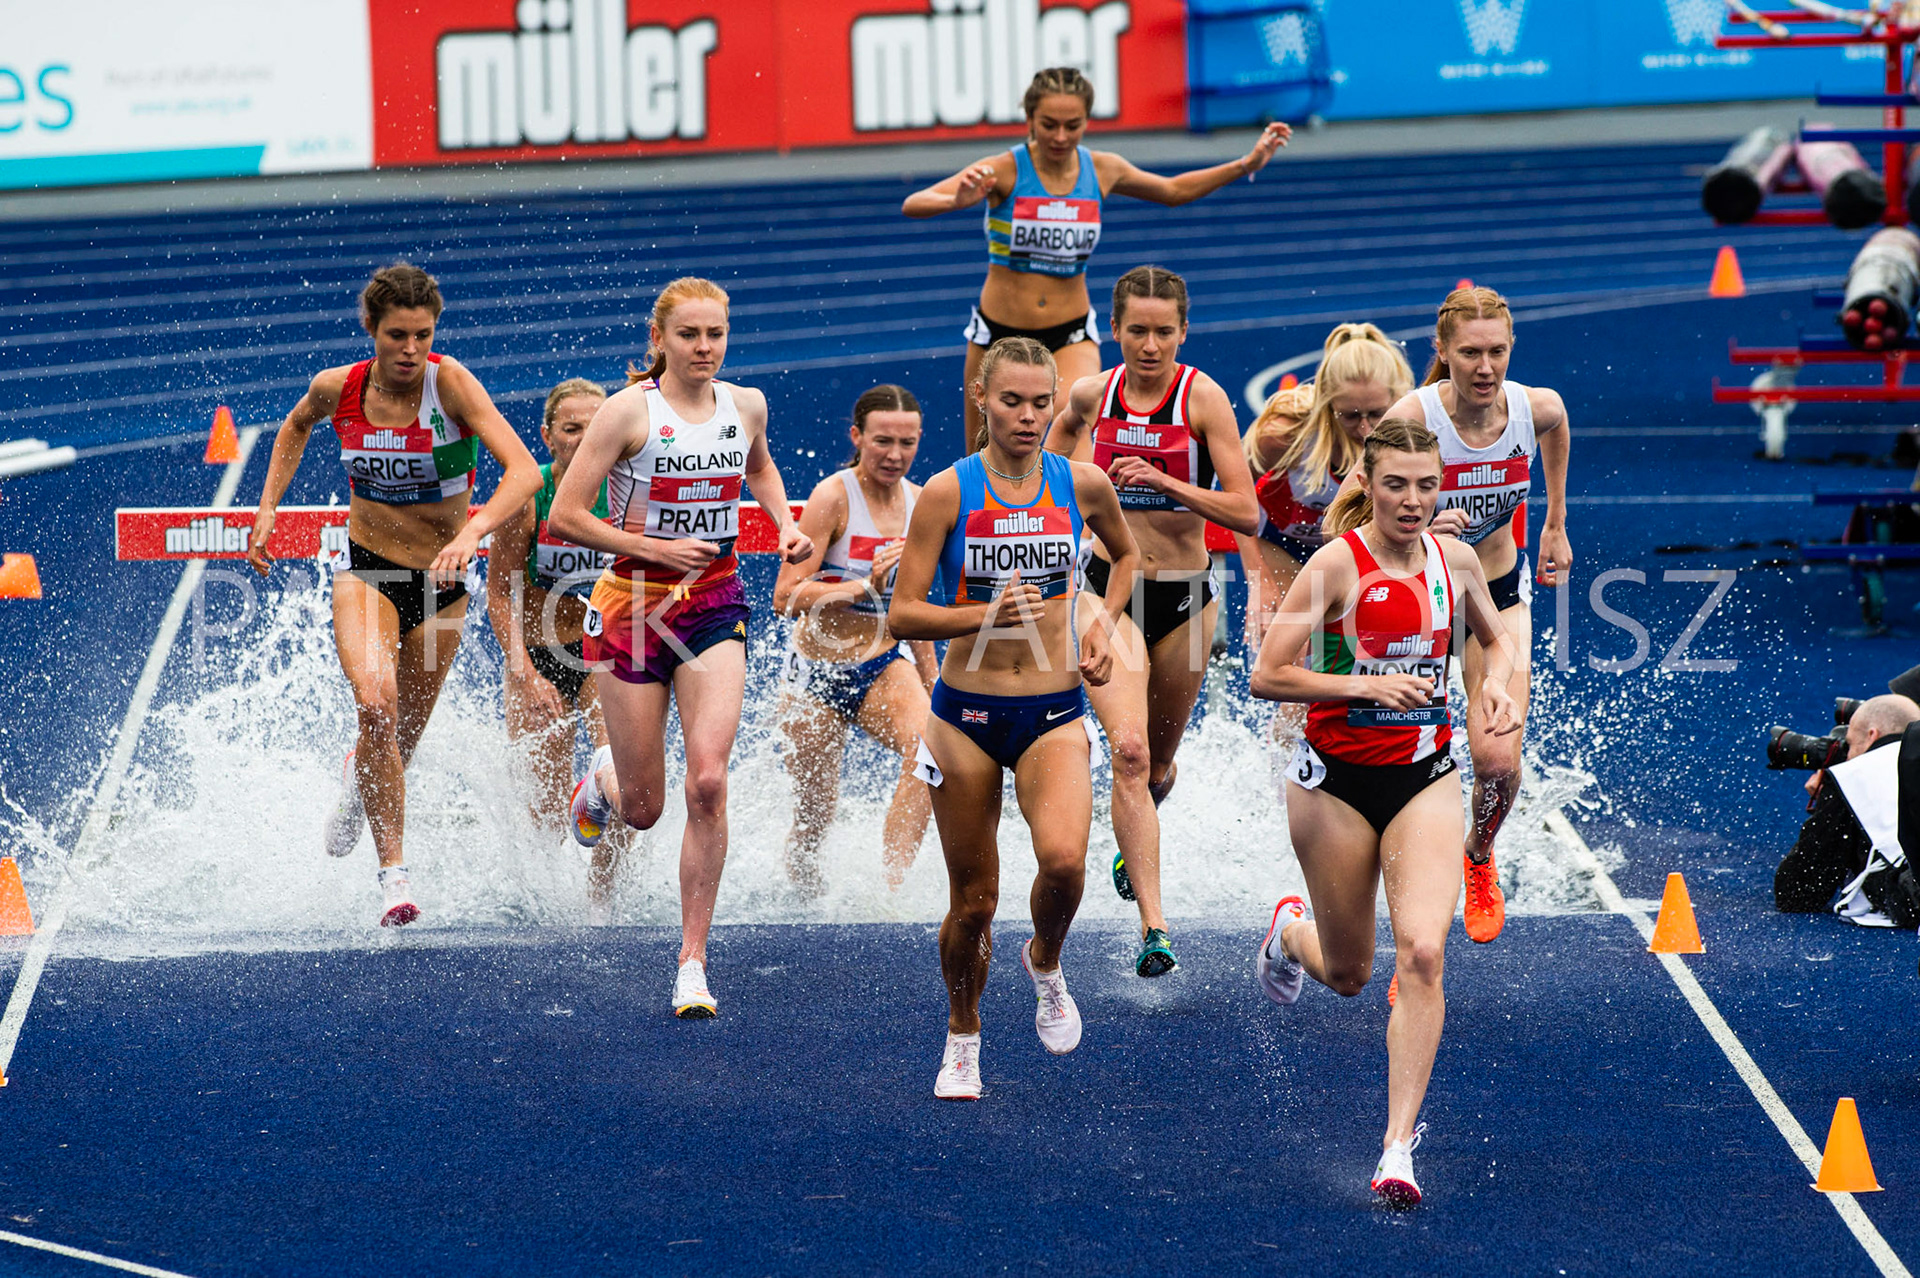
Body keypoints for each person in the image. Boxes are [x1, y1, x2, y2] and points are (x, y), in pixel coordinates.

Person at [1249, 417, 1519, 1207]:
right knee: (1348, 973)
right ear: (1366, 483)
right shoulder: (1336, 565)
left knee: (1425, 954)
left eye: (1426, 485)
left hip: (1422, 776)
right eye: (1396, 484)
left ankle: (1397, 1147)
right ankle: (1288, 933)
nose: (1412, 500)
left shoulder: (1456, 560)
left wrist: (1493, 682)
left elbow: (1496, 643)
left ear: (1443, 488)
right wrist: (1365, 687)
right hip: (1332, 782)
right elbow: (1269, 674)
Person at [245, 263, 540, 926]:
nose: (410, 349)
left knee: (397, 744)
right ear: (372, 330)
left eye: (423, 335)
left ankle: (358, 785)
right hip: (367, 570)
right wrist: (267, 507)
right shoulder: (338, 388)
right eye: (397, 335)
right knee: (376, 705)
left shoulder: (452, 384)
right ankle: (394, 875)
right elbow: (294, 427)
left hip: (443, 583)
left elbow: (522, 471)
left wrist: (474, 532)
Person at [549, 277, 812, 1018]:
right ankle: (602, 778)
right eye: (690, 335)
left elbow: (756, 464)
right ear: (659, 339)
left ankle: (692, 961)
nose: (704, 348)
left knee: (707, 783)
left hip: (714, 602)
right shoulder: (628, 413)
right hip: (630, 603)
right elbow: (569, 515)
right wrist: (653, 549)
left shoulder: (746, 404)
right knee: (641, 810)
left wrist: (784, 523)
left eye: (715, 335)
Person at [887, 336, 1140, 1101]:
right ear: (982, 401)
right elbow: (902, 612)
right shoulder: (946, 492)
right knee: (974, 902)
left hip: (1054, 709)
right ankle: (963, 1035)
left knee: (1064, 865)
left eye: (1041, 403)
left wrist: (1103, 622)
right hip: (964, 715)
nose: (1028, 417)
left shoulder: (1083, 484)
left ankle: (1046, 959)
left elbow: (1125, 557)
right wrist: (981, 614)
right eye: (1011, 401)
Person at [1042, 265, 1257, 976]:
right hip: (1108, 590)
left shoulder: (1203, 400)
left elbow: (1246, 511)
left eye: (1165, 331)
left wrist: (1165, 482)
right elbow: (1042, 462)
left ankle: (1135, 840)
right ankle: (1155, 929)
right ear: (1115, 329)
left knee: (1159, 765)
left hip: (1187, 597)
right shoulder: (1089, 395)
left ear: (1183, 332)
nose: (1151, 344)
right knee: (1128, 752)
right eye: (1137, 330)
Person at [902, 67, 1291, 452]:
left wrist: (1246, 165)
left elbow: (1172, 191)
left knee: (1076, 432)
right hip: (997, 332)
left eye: (1072, 125)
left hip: (1069, 333)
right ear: (1029, 119)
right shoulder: (1005, 169)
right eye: (1048, 124)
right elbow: (914, 203)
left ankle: (1072, 511)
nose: (1060, 136)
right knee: (982, 453)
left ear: (1087, 120)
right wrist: (955, 200)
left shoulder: (1101, 169)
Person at [1381, 286, 1571, 945]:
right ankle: (1409, 912)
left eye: (1496, 352)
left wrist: (1554, 521)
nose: (1485, 367)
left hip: (1497, 595)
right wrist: (1423, 521)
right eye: (1469, 353)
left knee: (1495, 761)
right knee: (1398, 764)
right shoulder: (1413, 416)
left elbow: (1557, 424)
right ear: (1442, 352)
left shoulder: (1533, 407)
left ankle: (1480, 854)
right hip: (1419, 606)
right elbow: (1359, 507)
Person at [772, 385, 940, 897]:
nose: (894, 455)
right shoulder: (833, 496)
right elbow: (786, 595)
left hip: (883, 662)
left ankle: (889, 892)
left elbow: (916, 606)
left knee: (932, 756)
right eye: (882, 441)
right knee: (814, 813)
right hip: (815, 674)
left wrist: (935, 685)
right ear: (857, 437)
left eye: (907, 443)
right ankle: (802, 897)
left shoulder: (923, 503)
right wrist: (864, 587)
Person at [484, 376, 630, 914]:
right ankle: (549, 906)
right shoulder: (531, 497)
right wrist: (523, 670)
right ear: (548, 435)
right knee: (545, 806)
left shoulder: (626, 494)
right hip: (541, 656)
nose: (585, 438)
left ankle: (600, 901)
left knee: (627, 788)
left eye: (596, 428)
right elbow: (499, 593)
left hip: (608, 655)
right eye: (572, 429)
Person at [1237, 324, 1415, 654]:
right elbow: (1235, 489)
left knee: (1370, 641)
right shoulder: (1286, 434)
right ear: (1327, 405)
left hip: (1353, 548)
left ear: (1398, 399)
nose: (1364, 428)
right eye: (1349, 416)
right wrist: (1258, 578)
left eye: (1377, 414)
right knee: (1298, 647)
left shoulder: (1411, 435)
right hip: (1283, 544)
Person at [1775, 694, 1920, 915]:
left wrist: (1829, 801)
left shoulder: (1855, 774)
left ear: (1873, 735)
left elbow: (1797, 892)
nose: (1847, 754)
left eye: (1850, 744)